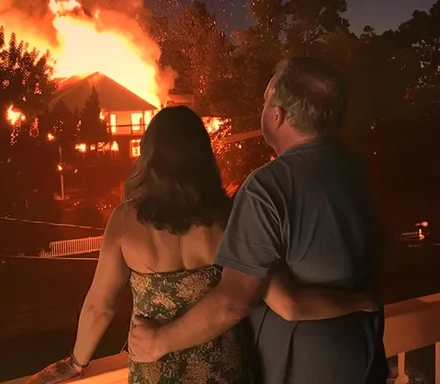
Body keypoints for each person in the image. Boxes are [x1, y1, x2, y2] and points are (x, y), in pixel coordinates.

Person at [26, 105, 378, 384]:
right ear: (203, 155)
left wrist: (76, 361)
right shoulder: (231, 217)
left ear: (150, 156)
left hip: (156, 371)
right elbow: (287, 303)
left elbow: (99, 307)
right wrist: (360, 300)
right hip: (225, 371)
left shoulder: (124, 221)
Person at [128, 58, 389, 383]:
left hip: (302, 371)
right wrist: (360, 300)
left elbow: (234, 302)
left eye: (266, 101)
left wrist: (156, 343)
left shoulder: (267, 187)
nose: (262, 108)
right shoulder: (360, 171)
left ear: (277, 116)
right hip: (365, 359)